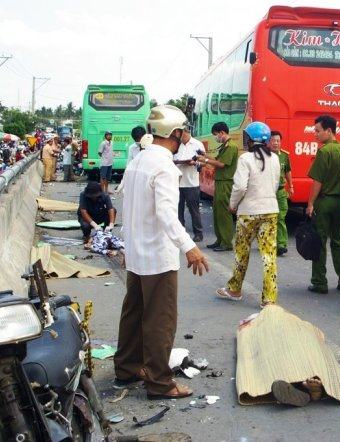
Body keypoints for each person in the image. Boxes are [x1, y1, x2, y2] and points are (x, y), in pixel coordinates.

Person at [114, 105, 209, 400]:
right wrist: (190, 247)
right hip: (157, 257)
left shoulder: (138, 161)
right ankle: (159, 383)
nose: (185, 136)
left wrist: (127, 246)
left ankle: (128, 368)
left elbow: (125, 207)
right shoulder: (164, 166)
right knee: (160, 320)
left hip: (138, 255)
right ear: (176, 133)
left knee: (134, 313)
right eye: (183, 131)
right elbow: (168, 214)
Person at [215, 122, 280, 307]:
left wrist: (232, 204)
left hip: (248, 213)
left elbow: (240, 187)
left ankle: (235, 289)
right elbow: (275, 184)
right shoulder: (275, 158)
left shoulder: (246, 159)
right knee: (269, 256)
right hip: (270, 210)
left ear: (250, 140)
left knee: (241, 253)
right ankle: (269, 299)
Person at [305, 115, 340, 294]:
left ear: (329, 131)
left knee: (320, 241)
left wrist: (310, 204)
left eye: (318, 131)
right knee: (338, 240)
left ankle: (319, 282)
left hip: (324, 202)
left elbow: (317, 181)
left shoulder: (324, 152)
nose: (315, 134)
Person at [202, 122, 238, 252]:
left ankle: (227, 242)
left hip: (226, 182)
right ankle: (220, 240)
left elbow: (221, 164)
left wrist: (204, 160)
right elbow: (217, 159)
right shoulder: (224, 146)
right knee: (217, 212)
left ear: (222, 132)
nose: (215, 137)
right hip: (220, 181)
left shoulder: (231, 146)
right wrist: (204, 156)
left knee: (224, 213)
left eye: (216, 134)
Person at [173, 128, 204, 242]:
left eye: (182, 135)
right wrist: (181, 162)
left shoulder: (197, 144)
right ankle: (180, 233)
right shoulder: (176, 145)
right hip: (177, 183)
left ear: (187, 133)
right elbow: (170, 159)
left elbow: (203, 162)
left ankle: (198, 233)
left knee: (194, 210)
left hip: (192, 183)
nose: (180, 137)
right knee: (178, 210)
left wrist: (195, 163)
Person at [268, 131, 293, 256]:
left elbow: (287, 171)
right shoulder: (264, 156)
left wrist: (291, 186)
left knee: (281, 217)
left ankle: (281, 244)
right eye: (273, 140)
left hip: (281, 192)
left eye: (278, 140)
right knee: (268, 218)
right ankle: (268, 240)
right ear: (268, 142)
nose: (276, 143)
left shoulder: (284, 156)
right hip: (268, 192)